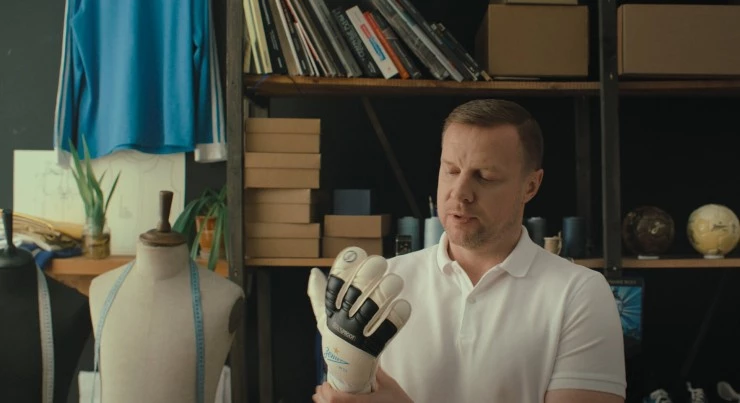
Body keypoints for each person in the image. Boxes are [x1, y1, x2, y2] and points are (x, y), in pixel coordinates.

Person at [312, 99, 626, 403]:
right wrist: (346, 381)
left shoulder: (578, 294)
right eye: (451, 170)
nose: (460, 192)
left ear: (530, 186)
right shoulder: (383, 285)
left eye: (485, 177)